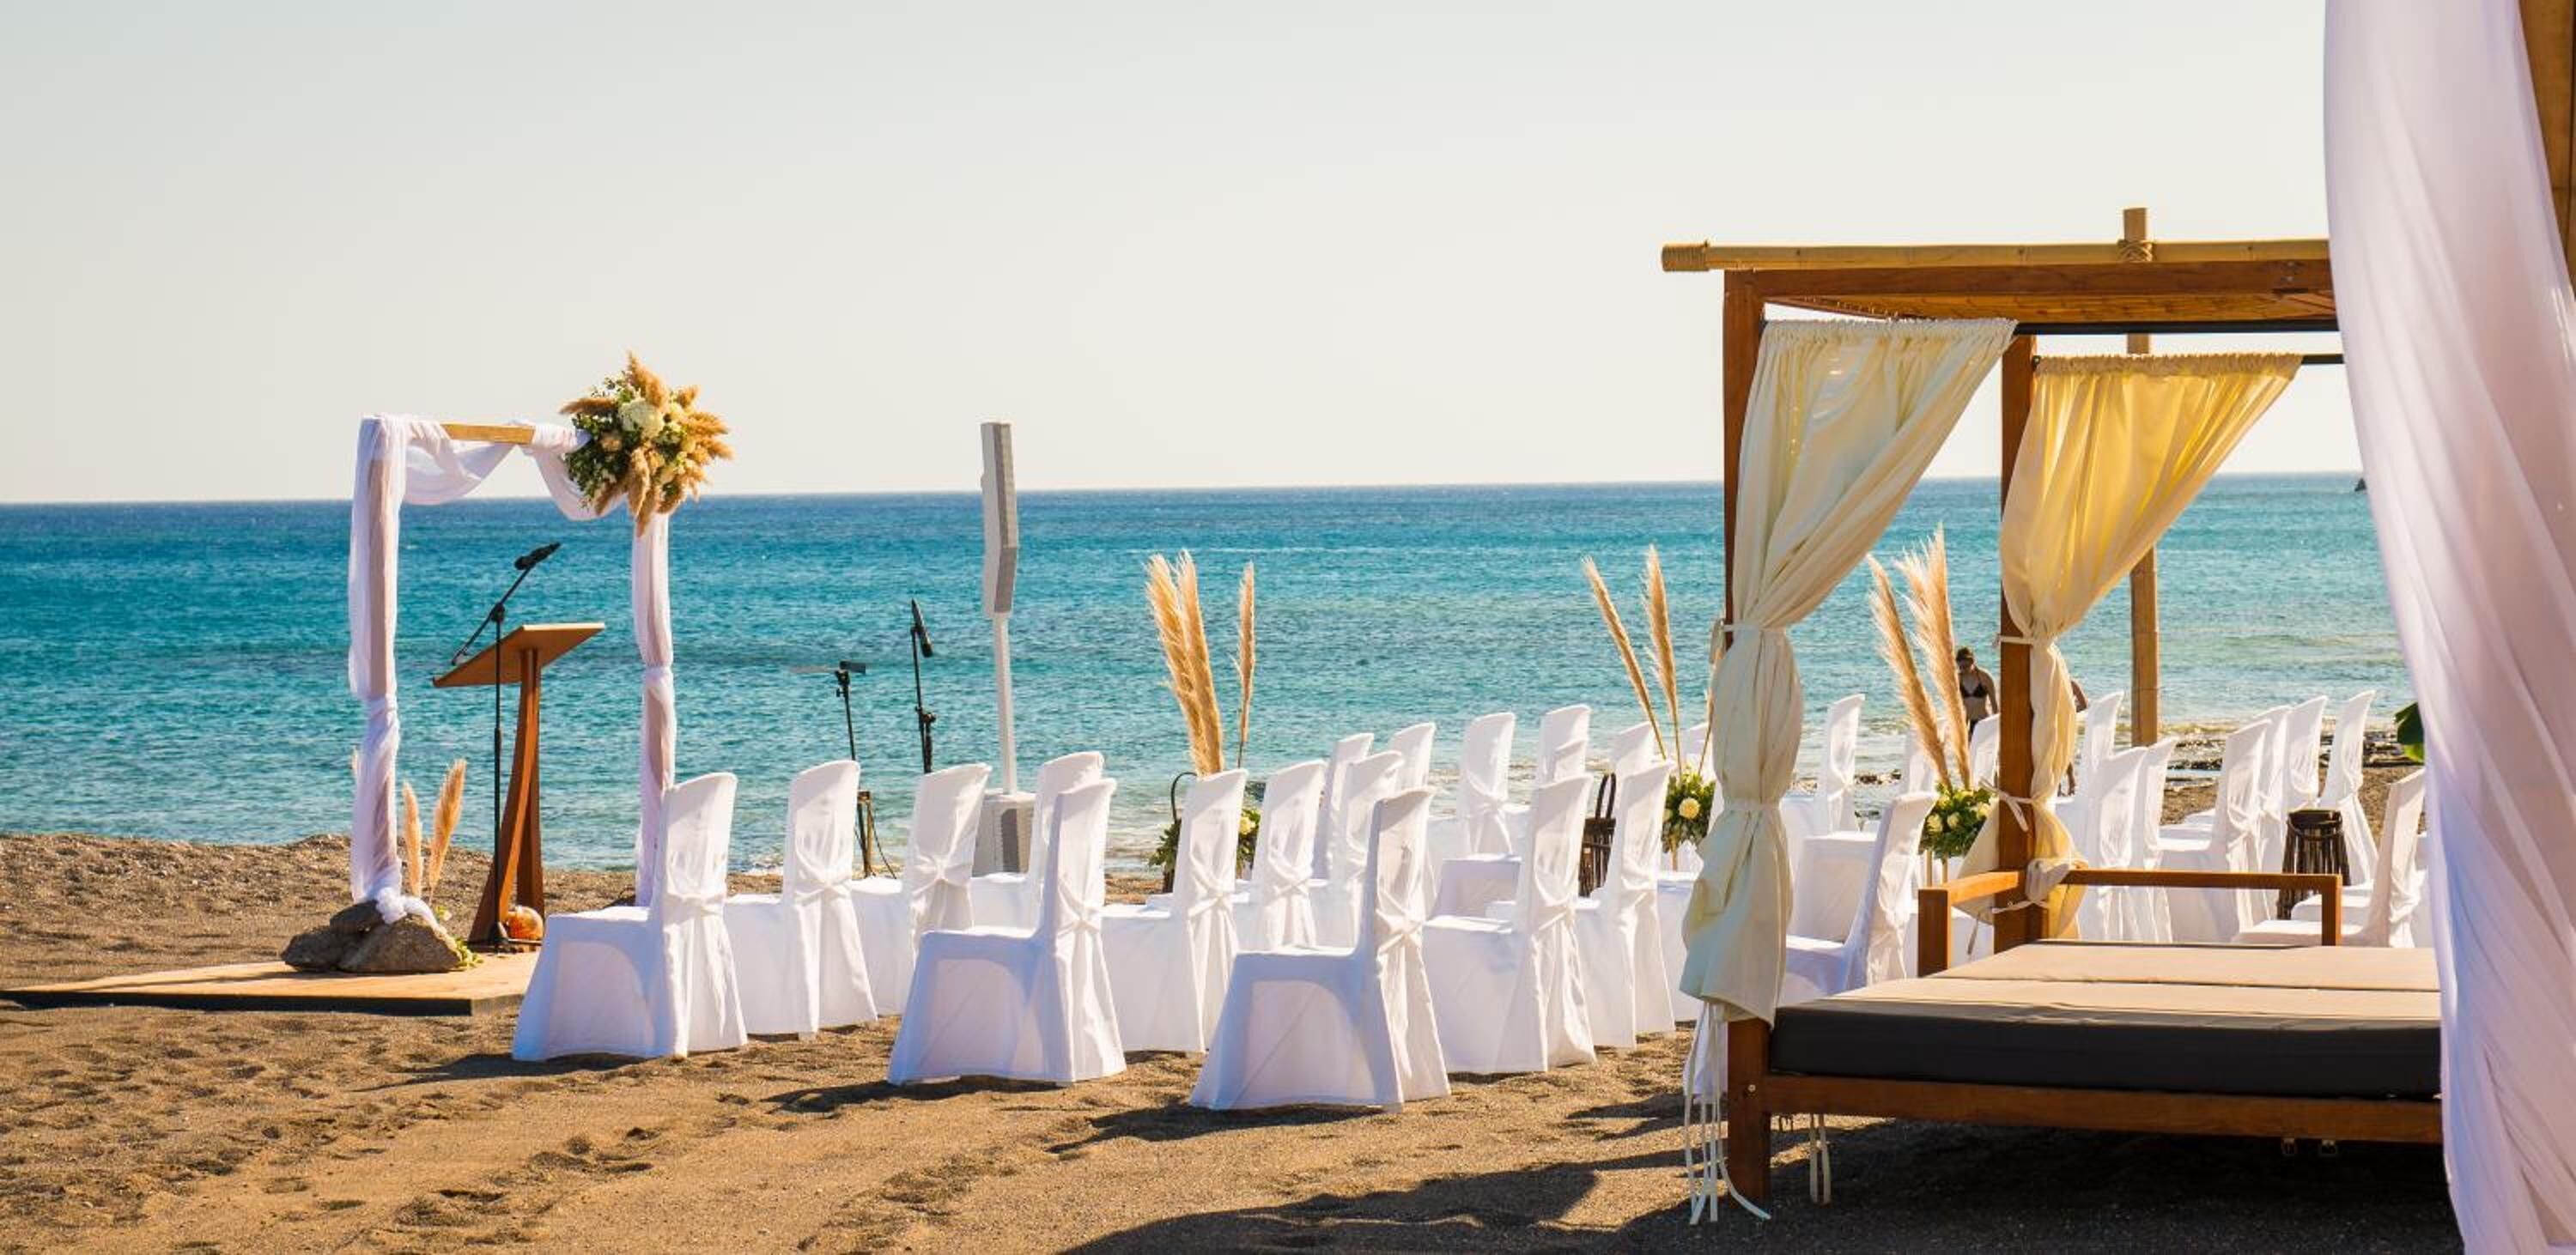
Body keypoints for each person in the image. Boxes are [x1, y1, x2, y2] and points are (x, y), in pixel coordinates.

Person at [1956, 647, 1997, 723]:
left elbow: (1994, 704)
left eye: (1966, 666)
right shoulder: (1958, 679)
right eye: (1960, 667)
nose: (1963, 670)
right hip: (1968, 723)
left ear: (1972, 662)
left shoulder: (1985, 677)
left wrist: (1996, 724)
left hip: (1984, 721)